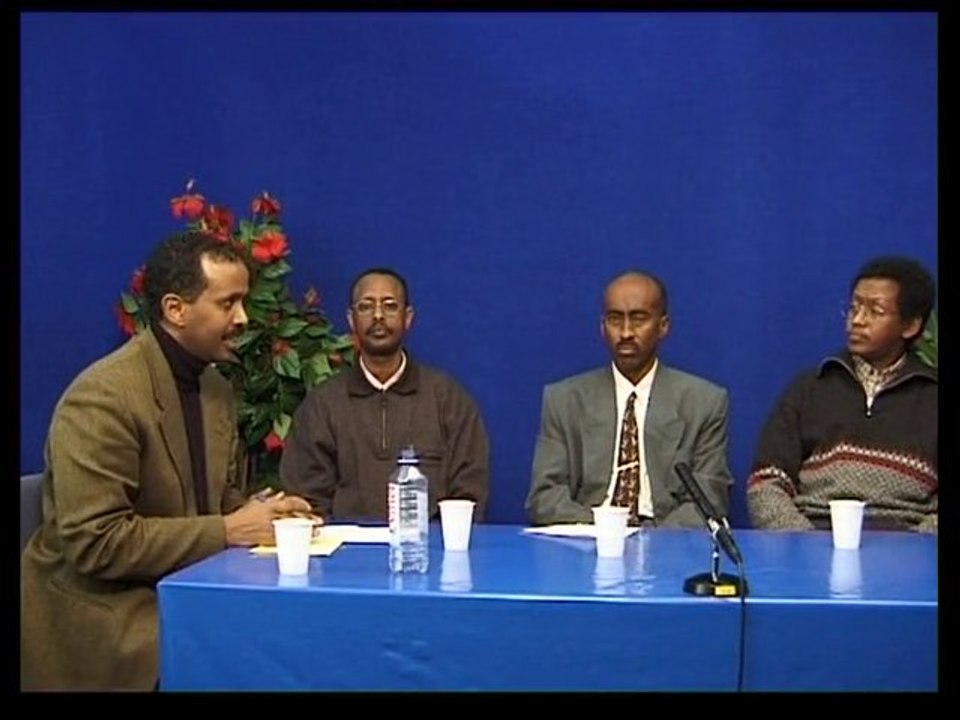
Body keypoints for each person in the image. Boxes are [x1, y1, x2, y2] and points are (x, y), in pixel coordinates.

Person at [20, 231, 314, 691]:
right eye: (228, 304)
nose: (243, 318)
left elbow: (221, 500)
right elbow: (96, 543)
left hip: (188, 586)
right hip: (109, 612)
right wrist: (230, 529)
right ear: (176, 310)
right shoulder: (102, 398)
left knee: (288, 638)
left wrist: (268, 515)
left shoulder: (216, 387)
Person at [526, 270, 734, 527]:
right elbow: (544, 497)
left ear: (663, 326)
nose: (625, 332)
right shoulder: (564, 399)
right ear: (602, 327)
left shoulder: (704, 402)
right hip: (589, 540)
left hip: (667, 548)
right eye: (615, 319)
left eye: (638, 319)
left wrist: (648, 544)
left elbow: (709, 498)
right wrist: (608, 530)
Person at [280, 267, 489, 522]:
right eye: (366, 307)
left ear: (408, 317)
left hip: (428, 553)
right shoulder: (322, 406)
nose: (378, 316)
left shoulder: (448, 399)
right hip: (343, 556)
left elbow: (469, 493)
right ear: (351, 319)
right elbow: (306, 502)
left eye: (390, 306)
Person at [747, 255, 937, 533]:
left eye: (876, 311)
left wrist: (915, 550)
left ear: (911, 326)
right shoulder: (811, 387)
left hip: (906, 546)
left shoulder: (931, 396)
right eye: (854, 307)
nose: (857, 320)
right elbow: (766, 482)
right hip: (812, 538)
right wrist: (802, 543)